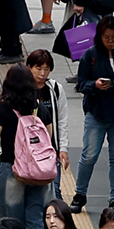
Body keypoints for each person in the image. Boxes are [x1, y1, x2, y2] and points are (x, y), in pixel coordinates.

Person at [72, 16, 114, 209]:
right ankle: (80, 193)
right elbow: (81, 83)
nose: (110, 41)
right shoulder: (90, 55)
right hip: (96, 113)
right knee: (89, 155)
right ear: (99, 36)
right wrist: (95, 85)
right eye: (106, 37)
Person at [0, 65, 39, 223]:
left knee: (9, 220)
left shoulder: (2, 109)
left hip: (12, 168)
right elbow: (48, 136)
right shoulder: (39, 108)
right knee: (35, 219)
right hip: (38, 170)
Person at [26, 49, 70, 195]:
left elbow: (62, 120)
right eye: (38, 68)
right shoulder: (23, 90)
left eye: (47, 69)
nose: (43, 73)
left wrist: (63, 148)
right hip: (29, 151)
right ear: (29, 67)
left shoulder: (55, 89)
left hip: (51, 150)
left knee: (54, 190)